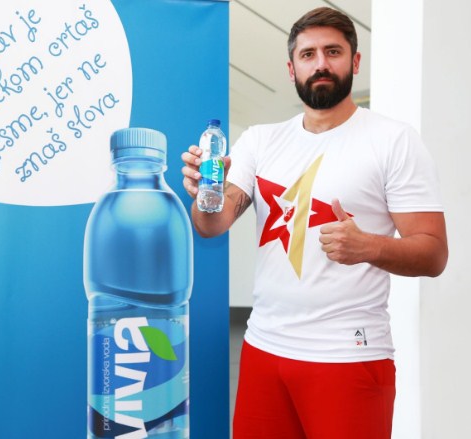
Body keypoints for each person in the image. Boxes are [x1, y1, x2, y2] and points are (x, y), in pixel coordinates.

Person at [181, 7, 448, 439]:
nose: (320, 63)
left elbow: (434, 252)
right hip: (263, 350)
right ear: (291, 69)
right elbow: (211, 225)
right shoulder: (260, 140)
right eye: (308, 54)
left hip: (349, 356)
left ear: (355, 61)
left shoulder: (394, 140)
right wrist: (203, 195)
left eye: (333, 51)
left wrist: (369, 246)